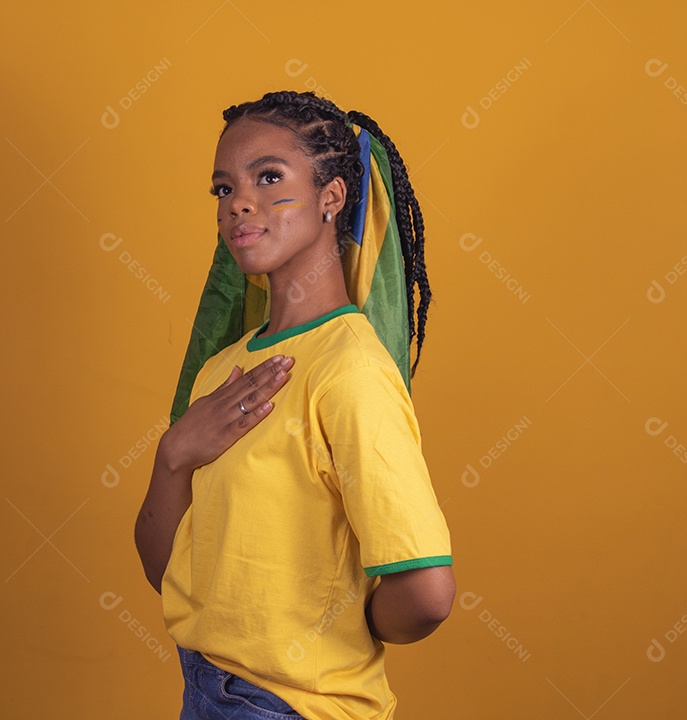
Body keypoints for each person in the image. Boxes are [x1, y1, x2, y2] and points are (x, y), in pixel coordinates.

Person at [134, 90, 454, 720]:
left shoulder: (349, 369)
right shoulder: (224, 372)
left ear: (331, 198)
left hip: (291, 707)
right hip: (204, 686)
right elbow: (170, 573)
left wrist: (330, 623)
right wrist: (173, 456)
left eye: (269, 177)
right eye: (223, 189)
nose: (239, 204)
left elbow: (426, 594)